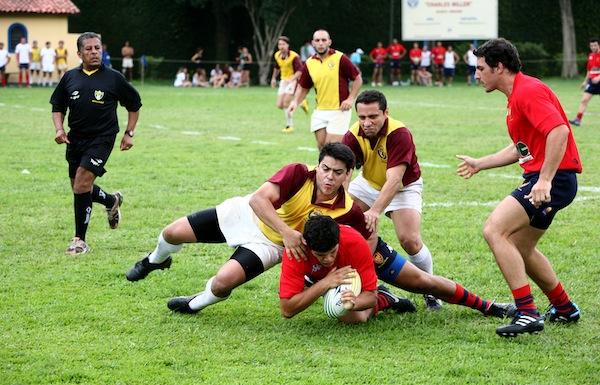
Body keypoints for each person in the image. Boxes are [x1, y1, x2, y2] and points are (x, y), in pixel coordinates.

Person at [125, 143, 514, 322]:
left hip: (275, 248)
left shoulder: (350, 211)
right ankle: (153, 261)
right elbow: (260, 201)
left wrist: (366, 274)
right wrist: (289, 233)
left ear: (349, 176)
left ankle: (194, 304)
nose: (329, 177)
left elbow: (362, 243)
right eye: (325, 169)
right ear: (318, 166)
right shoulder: (298, 173)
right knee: (172, 232)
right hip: (246, 217)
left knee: (224, 282)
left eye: (338, 172)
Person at [456, 38, 582, 337]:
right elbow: (521, 147)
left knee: (494, 230)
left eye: (481, 68)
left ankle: (527, 313)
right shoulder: (516, 95)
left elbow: (559, 131)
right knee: (522, 247)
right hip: (549, 178)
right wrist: (480, 163)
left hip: (555, 179)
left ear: (499, 67)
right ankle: (564, 308)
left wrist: (545, 179)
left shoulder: (528, 91)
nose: (477, 75)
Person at [342, 90, 441, 310]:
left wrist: (375, 211)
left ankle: (431, 290)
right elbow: (344, 173)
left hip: (403, 187)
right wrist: (342, 204)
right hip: (368, 183)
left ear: (386, 113)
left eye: (373, 117)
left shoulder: (399, 133)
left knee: (410, 240)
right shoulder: (353, 135)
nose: (366, 123)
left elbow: (394, 180)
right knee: (341, 224)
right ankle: (358, 284)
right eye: (362, 117)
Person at [50, 32, 142, 255]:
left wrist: (129, 133)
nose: (94, 52)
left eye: (97, 48)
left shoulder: (114, 78)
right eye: (89, 49)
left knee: (81, 184)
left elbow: (134, 105)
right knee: (79, 186)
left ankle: (79, 240)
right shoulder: (70, 77)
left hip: (103, 138)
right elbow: (57, 106)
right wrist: (60, 129)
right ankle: (111, 201)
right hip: (76, 138)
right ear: (79, 53)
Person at [280, 215, 414, 323]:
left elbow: (370, 296)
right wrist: (325, 283)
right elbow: (287, 310)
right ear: (308, 246)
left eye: (333, 252)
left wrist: (354, 302)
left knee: (355, 318)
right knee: (299, 293)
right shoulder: (296, 250)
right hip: (319, 277)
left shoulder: (354, 242)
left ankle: (384, 297)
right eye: (320, 255)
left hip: (346, 274)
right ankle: (314, 282)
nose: (328, 259)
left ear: (339, 240)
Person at [288, 29, 363, 150]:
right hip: (320, 112)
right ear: (313, 43)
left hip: (339, 111)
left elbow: (358, 78)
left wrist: (350, 99)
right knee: (322, 147)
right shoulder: (309, 63)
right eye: (317, 40)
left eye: (324, 40)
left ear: (329, 42)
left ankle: (350, 163)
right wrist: (295, 102)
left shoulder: (340, 58)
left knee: (332, 148)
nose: (321, 43)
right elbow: (303, 87)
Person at [271, 36, 307, 133]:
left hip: (293, 81)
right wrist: (273, 78)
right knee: (279, 105)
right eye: (279, 44)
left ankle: (289, 126)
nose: (281, 46)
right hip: (283, 81)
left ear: (287, 45)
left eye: (283, 44)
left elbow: (300, 71)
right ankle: (301, 102)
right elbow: (277, 67)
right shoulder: (277, 55)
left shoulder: (294, 57)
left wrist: (292, 78)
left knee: (286, 103)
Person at [569, 37, 600, 126]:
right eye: (591, 46)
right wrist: (585, 81)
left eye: (595, 45)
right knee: (584, 100)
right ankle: (578, 120)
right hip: (591, 82)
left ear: (599, 45)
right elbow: (589, 70)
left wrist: (599, 78)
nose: (593, 47)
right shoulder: (591, 55)